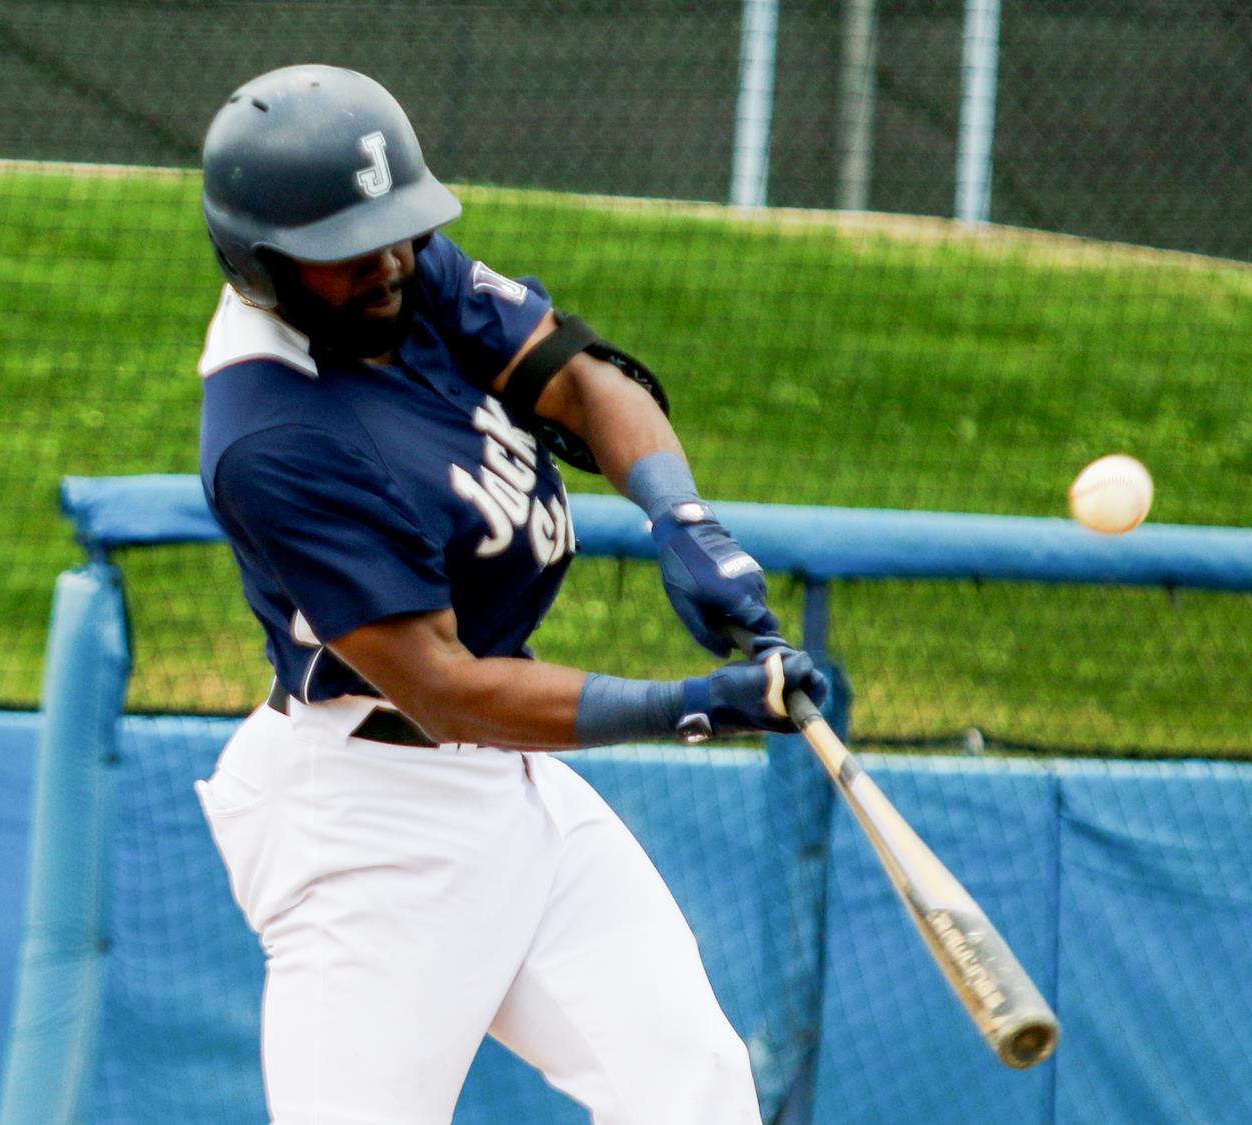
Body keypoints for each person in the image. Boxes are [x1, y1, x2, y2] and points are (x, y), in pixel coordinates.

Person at [192, 64, 828, 1125]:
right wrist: (691, 701)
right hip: (368, 821)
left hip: (505, 776)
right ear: (264, 264)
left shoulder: (393, 269)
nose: (392, 262)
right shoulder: (275, 436)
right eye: (350, 252)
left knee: (692, 1093)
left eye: (398, 229)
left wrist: (681, 519)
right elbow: (443, 690)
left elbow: (578, 380)